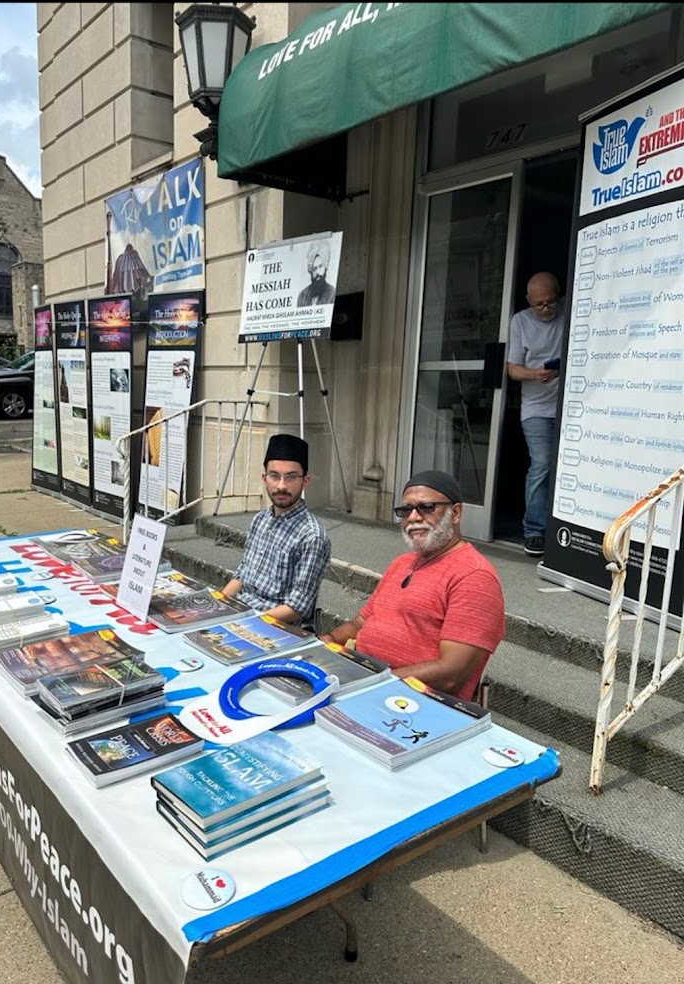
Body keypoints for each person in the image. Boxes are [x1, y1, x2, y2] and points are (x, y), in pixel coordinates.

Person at [318, 470, 505, 701]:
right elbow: (360, 623)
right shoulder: (402, 563)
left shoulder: (475, 577)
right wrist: (330, 639)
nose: (414, 517)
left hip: (413, 702)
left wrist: (378, 682)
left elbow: (451, 675)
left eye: (426, 507)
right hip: (363, 680)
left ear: (455, 513)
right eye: (406, 510)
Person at [220, 433, 331, 625]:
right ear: (264, 478)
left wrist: (245, 622)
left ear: (305, 481)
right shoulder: (260, 520)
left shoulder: (312, 536)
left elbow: (297, 607)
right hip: (240, 614)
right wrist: (218, 606)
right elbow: (242, 576)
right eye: (274, 476)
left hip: (274, 627)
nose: (281, 486)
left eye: (291, 477)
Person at [506, 271, 565, 558]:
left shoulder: (571, 310)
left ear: (559, 296)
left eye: (550, 302)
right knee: (541, 464)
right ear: (529, 300)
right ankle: (534, 531)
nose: (545, 309)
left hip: (570, 404)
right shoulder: (520, 321)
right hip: (536, 408)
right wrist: (535, 374)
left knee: (566, 467)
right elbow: (513, 368)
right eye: (538, 304)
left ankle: (565, 531)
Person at [296, 239, 336, 307]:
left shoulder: (332, 293)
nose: (317, 272)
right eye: (314, 268)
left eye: (320, 266)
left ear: (325, 268)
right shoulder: (302, 296)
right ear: (311, 271)